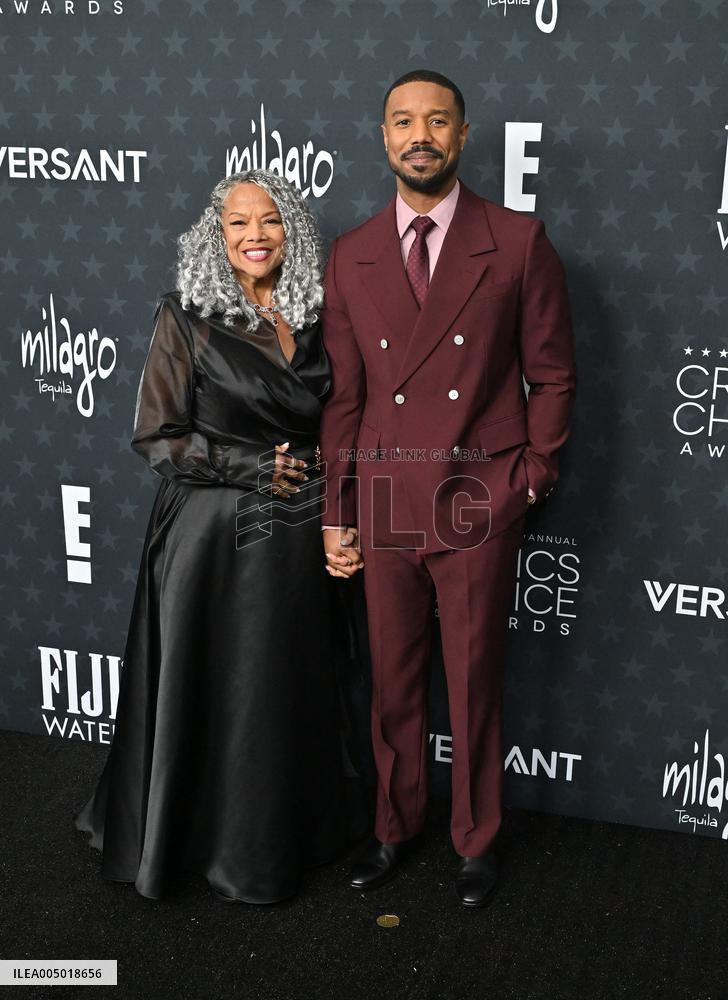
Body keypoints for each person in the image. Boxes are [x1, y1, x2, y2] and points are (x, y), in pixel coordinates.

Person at [319, 70, 576, 907]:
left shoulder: (518, 240)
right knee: (391, 682)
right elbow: (346, 399)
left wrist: (530, 478)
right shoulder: (352, 253)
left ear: (464, 136)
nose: (419, 136)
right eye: (403, 122)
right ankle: (394, 828)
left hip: (478, 493)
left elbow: (553, 376)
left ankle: (477, 839)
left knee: (472, 683)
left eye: (437, 121)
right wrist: (337, 512)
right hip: (386, 495)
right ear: (384, 137)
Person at [75, 169, 362, 905]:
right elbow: (156, 436)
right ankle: (197, 841)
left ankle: (277, 840)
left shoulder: (322, 315)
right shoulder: (187, 316)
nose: (255, 235)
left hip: (297, 534)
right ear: (216, 235)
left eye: (271, 220)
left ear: (293, 232)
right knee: (211, 685)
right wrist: (250, 466)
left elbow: (344, 418)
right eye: (238, 222)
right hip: (209, 533)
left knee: (276, 688)